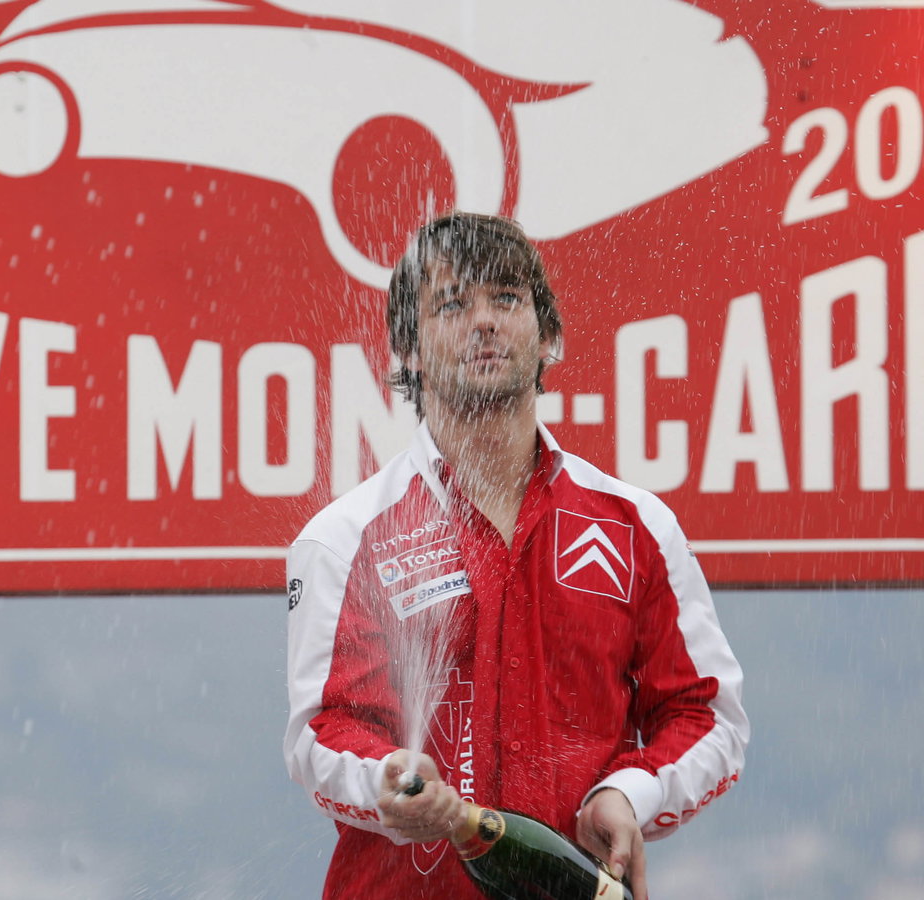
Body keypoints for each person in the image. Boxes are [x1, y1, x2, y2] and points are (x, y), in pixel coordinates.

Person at [283, 212, 746, 899]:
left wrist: (627, 794)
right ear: (408, 352)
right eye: (451, 304)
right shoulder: (344, 538)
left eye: (507, 299)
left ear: (549, 337)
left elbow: (706, 718)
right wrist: (387, 779)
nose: (484, 322)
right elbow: (320, 732)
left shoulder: (637, 527)